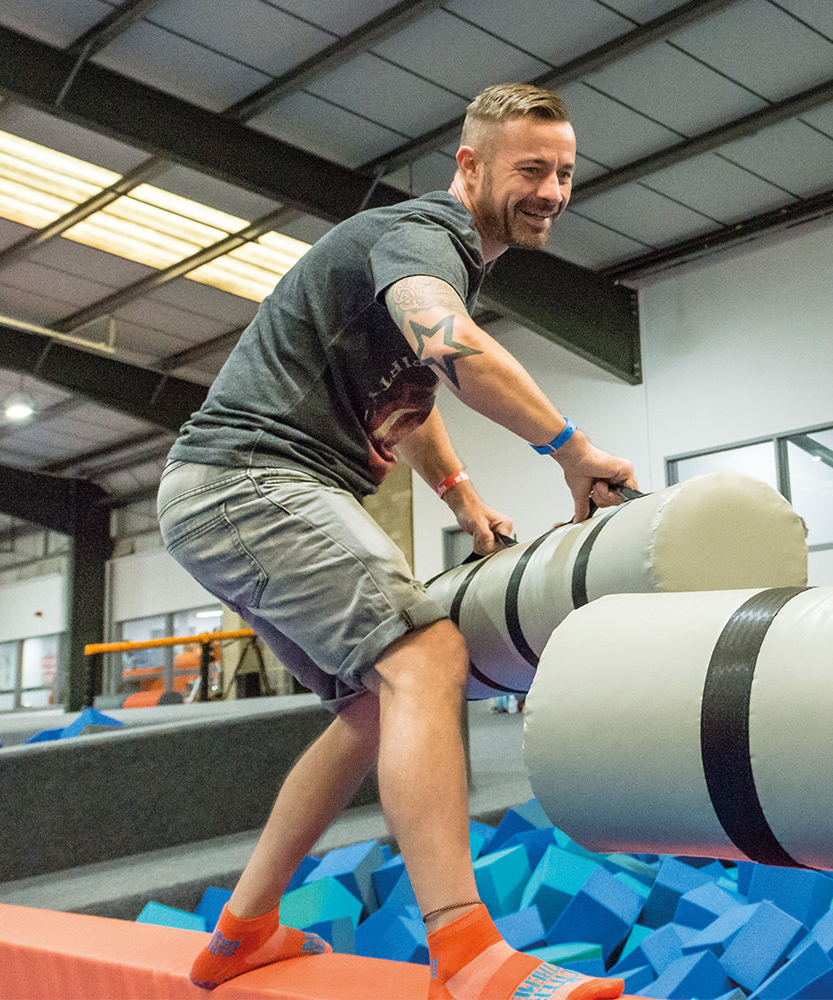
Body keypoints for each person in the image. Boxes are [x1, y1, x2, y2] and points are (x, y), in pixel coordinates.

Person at [159, 83, 635, 1000]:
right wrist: (573, 453)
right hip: (251, 480)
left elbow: (411, 387)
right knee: (428, 655)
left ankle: (242, 931)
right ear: (470, 165)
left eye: (567, 173)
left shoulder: (440, 256)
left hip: (231, 490)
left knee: (374, 706)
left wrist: (462, 497)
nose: (553, 190)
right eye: (531, 169)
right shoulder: (426, 238)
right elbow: (449, 344)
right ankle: (467, 954)